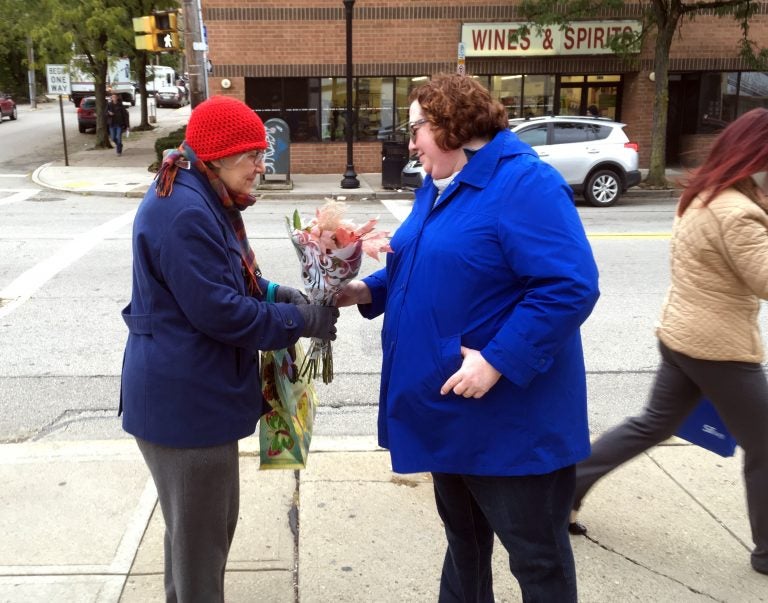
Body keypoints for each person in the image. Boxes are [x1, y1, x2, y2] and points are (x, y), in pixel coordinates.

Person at [337, 73, 600, 602]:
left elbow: (568, 287)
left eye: (416, 130)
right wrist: (361, 291)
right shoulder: (439, 186)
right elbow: (417, 265)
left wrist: (496, 361)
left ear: (451, 124)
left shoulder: (524, 183)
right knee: (465, 547)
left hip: (511, 423)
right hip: (450, 412)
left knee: (537, 560)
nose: (410, 144)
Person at [119, 95, 339, 602]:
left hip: (191, 403)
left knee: (196, 542)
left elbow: (231, 281)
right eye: (253, 156)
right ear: (217, 156)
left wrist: (274, 292)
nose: (263, 166)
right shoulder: (184, 212)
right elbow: (220, 312)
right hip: (185, 408)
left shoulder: (200, 195)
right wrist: (299, 318)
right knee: (201, 553)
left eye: (264, 154)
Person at [569, 108, 768, 577]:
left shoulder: (704, 197)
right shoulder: (738, 212)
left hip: (681, 336)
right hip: (718, 350)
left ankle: (570, 485)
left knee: (651, 424)